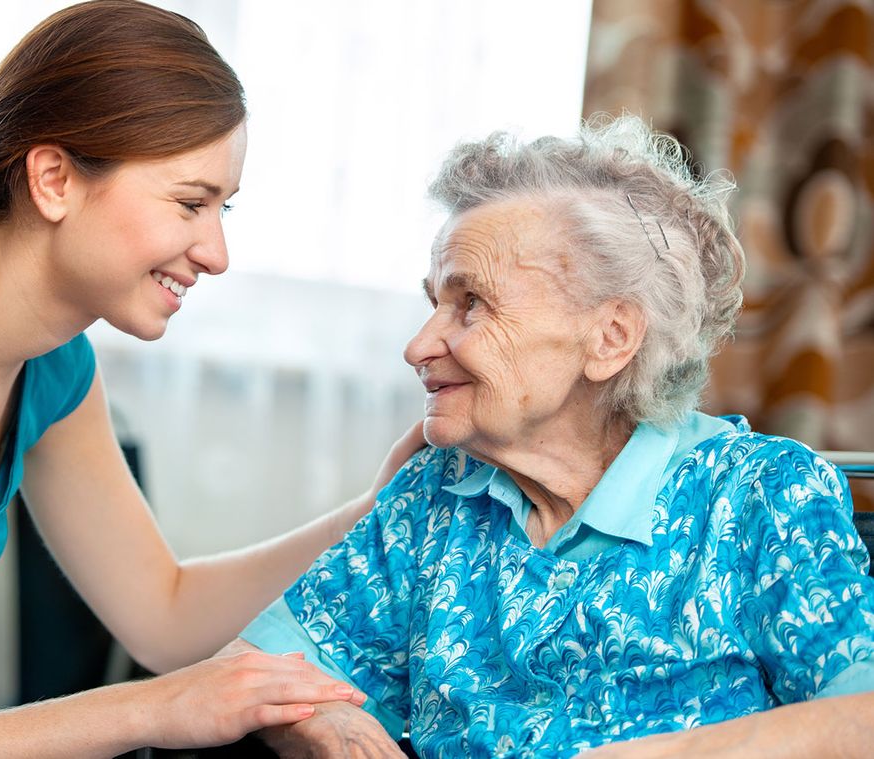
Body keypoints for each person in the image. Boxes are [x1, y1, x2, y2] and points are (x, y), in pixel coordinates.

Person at [0, 2, 426, 756]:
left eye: (221, 208)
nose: (217, 251)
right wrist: (151, 707)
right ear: (55, 178)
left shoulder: (53, 363)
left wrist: (375, 510)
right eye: (190, 203)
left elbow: (162, 613)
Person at [227, 116, 874, 758]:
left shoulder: (756, 494)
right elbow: (253, 671)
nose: (418, 346)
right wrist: (317, 723)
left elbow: (861, 716)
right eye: (433, 304)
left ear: (610, 337)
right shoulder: (437, 492)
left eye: (470, 303)